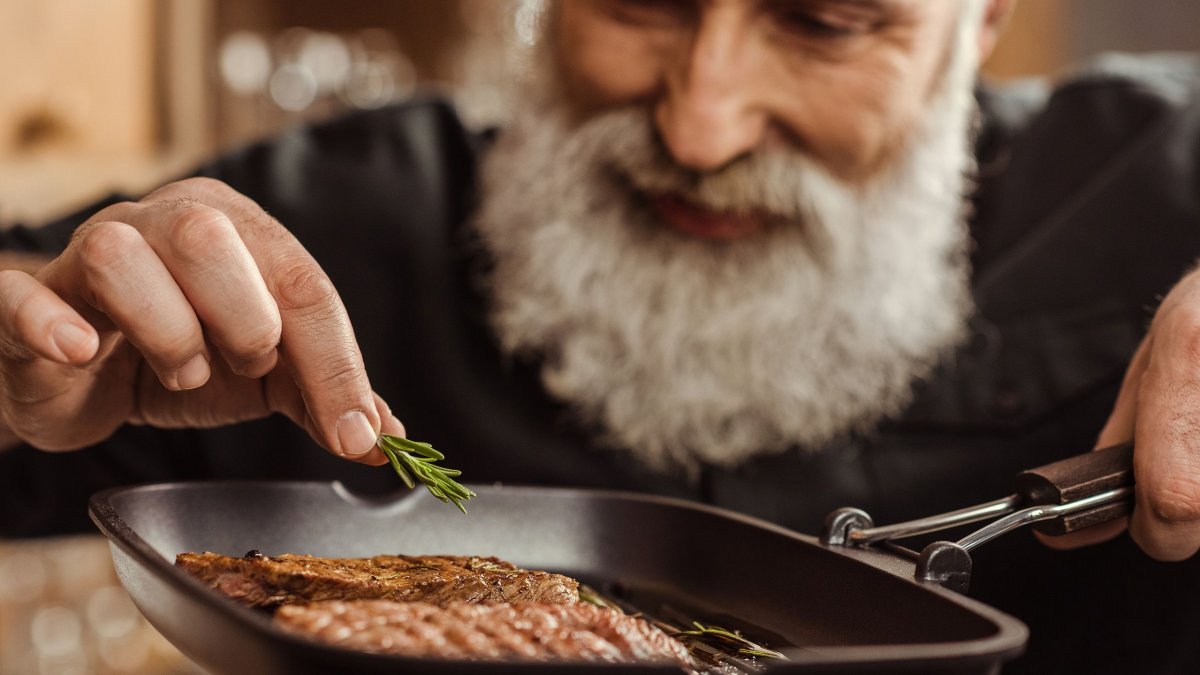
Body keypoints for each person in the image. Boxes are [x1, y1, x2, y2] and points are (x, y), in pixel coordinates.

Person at [1, 0, 1198, 671]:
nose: (701, 124)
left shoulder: (1157, 183)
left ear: (981, 25)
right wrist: (23, 362)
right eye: (639, 1)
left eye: (826, 22)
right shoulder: (348, 221)